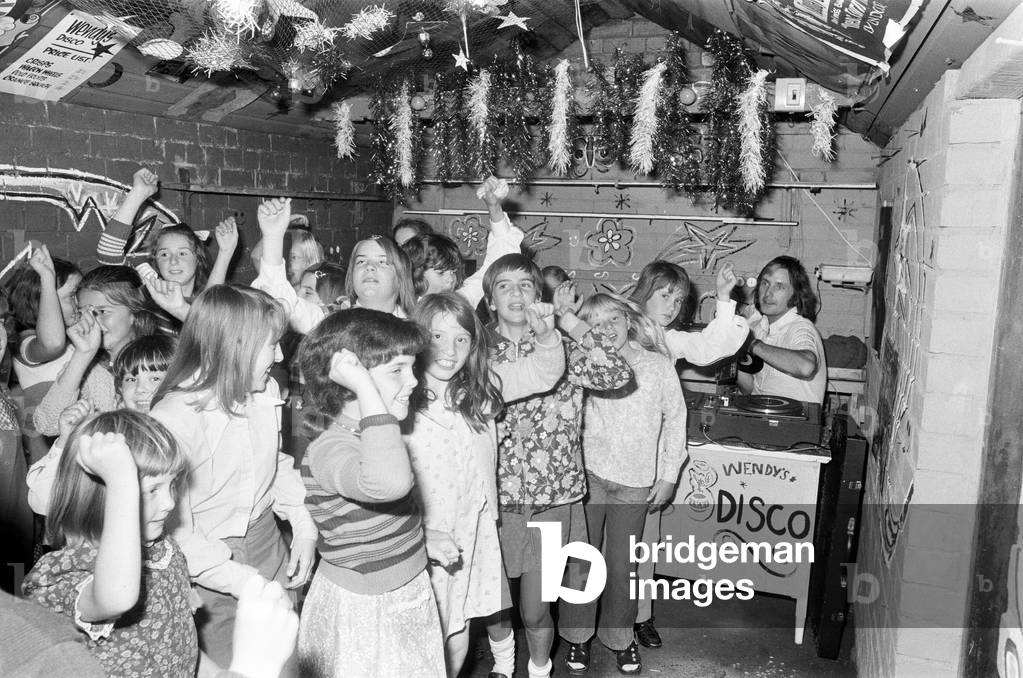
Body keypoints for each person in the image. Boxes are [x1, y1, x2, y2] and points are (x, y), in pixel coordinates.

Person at [149, 285, 316, 673]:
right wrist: (244, 582)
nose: (280, 356)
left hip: (266, 542)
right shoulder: (174, 418)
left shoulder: (265, 389)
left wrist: (304, 525)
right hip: (205, 566)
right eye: (271, 345)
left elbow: (274, 465)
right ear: (235, 346)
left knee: (284, 663)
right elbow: (173, 531)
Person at [406, 292, 565, 677]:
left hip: (472, 529)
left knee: (459, 625)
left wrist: (547, 337)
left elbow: (542, 373)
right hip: (422, 534)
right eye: (437, 337)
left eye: (461, 339)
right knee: (421, 631)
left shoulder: (480, 387)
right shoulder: (400, 390)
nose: (449, 350)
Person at [490, 270, 631, 678]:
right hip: (493, 501)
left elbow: (617, 372)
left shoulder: (566, 347)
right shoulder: (477, 349)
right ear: (491, 300)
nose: (516, 293)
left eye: (525, 285)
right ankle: (502, 665)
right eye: (504, 286)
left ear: (540, 295)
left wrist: (567, 321)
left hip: (552, 501)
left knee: (536, 608)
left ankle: (539, 669)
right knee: (494, 603)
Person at [295, 308, 445, 678]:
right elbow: (389, 484)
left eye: (412, 367)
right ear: (347, 380)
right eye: (397, 370)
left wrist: (422, 539)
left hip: (404, 592)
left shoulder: (374, 436)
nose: (413, 381)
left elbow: (383, 518)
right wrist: (365, 388)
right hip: (362, 611)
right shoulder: (331, 447)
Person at [559, 293, 687, 677]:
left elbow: (675, 419)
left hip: (634, 482)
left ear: (629, 321)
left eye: (612, 319)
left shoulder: (657, 366)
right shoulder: (583, 362)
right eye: (595, 324)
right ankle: (577, 635)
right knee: (581, 560)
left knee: (623, 565)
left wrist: (669, 474)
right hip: (589, 476)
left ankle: (620, 637)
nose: (605, 329)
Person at [627, 259, 749, 646]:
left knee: (644, 543)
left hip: (647, 457)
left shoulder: (669, 340)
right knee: (597, 541)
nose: (672, 306)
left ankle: (639, 617)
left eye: (678, 300)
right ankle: (588, 620)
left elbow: (711, 346)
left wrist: (725, 298)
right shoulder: (616, 326)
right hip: (605, 456)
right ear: (644, 293)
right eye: (664, 296)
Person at [21, 410, 196, 677]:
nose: (170, 503)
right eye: (152, 490)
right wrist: (123, 481)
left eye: (171, 485)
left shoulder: (162, 550)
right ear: (102, 495)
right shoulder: (66, 572)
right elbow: (118, 596)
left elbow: (179, 636)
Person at [26, 334, 176, 515]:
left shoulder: (186, 432)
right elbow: (42, 501)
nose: (140, 389)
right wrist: (68, 440)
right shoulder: (109, 439)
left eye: (155, 378)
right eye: (131, 379)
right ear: (120, 389)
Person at [33, 265, 159, 436]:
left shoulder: (161, 359)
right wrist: (83, 355)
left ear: (134, 313)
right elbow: (46, 425)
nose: (93, 321)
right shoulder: (89, 368)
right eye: (84, 312)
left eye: (103, 311)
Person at [737, 256, 827, 404]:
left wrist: (753, 345)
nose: (768, 293)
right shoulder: (760, 326)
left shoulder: (800, 327)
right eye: (765, 283)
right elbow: (749, 389)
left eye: (779, 286)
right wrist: (734, 357)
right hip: (761, 412)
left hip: (795, 418)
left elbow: (806, 367)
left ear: (796, 295)